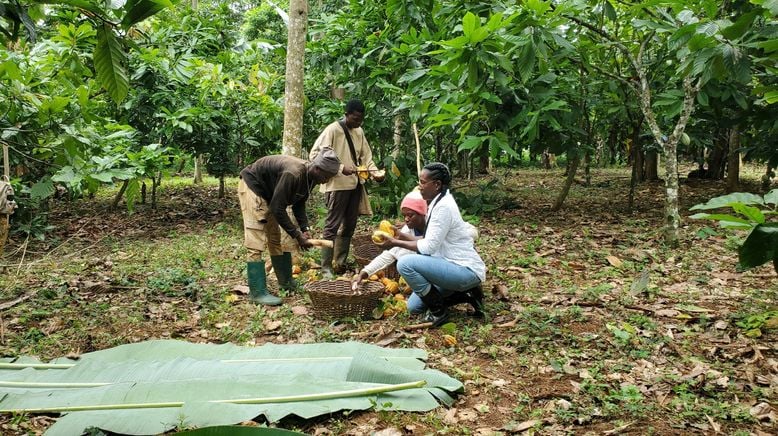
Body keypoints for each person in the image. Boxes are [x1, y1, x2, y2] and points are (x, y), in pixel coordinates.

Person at [375, 163, 486, 326]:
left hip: (463, 269)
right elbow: (429, 241)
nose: (419, 186)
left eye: (422, 182)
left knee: (405, 264)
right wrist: (401, 236)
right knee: (414, 307)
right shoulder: (437, 202)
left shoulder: (443, 207)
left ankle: (438, 313)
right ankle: (468, 295)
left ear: (437, 184)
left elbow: (427, 248)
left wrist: (394, 242)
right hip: (450, 266)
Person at [238, 150, 340, 305]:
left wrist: (305, 229)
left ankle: (286, 282)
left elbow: (299, 203)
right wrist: (297, 235)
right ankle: (257, 292)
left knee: (275, 238)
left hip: (270, 195)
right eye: (326, 177)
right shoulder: (293, 173)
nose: (325, 181)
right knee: (256, 239)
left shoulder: (311, 178)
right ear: (317, 168)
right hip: (254, 188)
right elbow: (277, 208)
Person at [309, 99, 383, 278]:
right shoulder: (333, 130)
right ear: (347, 114)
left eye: (360, 120)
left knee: (350, 225)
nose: (358, 122)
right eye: (355, 118)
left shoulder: (359, 131)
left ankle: (340, 262)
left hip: (355, 184)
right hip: (337, 185)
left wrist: (375, 172)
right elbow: (316, 155)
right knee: (331, 226)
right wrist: (341, 168)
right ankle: (326, 266)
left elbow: (366, 157)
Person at [350, 191, 428, 288]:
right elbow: (390, 254)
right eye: (404, 216)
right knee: (414, 304)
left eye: (410, 215)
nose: (406, 219)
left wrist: (400, 239)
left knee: (405, 262)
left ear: (422, 213)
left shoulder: (435, 226)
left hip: (441, 271)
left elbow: (427, 242)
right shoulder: (408, 229)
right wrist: (364, 273)